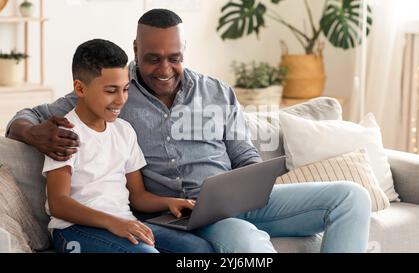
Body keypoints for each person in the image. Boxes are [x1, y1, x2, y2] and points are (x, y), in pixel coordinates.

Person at [7, 9, 371, 253]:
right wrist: (34, 133)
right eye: (153, 58)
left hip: (236, 200)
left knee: (351, 197)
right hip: (180, 217)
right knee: (246, 245)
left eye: (174, 57)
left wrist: (251, 179)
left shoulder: (217, 91)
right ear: (136, 49)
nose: (165, 68)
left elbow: (244, 153)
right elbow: (22, 117)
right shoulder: (113, 92)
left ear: (185, 51)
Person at [41, 38, 214, 253]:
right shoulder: (65, 135)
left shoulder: (124, 130)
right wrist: (113, 222)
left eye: (125, 89)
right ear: (80, 88)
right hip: (74, 229)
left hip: (123, 222)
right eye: (111, 90)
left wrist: (169, 202)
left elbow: (138, 196)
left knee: (199, 250)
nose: (121, 99)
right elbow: (59, 203)